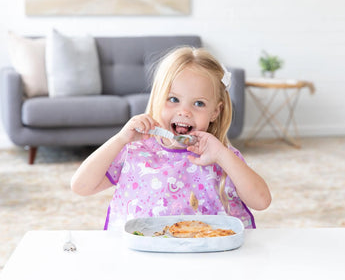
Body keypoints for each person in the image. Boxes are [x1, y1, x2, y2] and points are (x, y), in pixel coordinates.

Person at [71, 47, 271, 230]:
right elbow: (80, 186)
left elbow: (262, 201)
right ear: (157, 98)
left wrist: (221, 154)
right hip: (146, 255)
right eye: (173, 99)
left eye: (199, 103)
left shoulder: (221, 155)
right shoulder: (135, 149)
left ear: (215, 112)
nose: (184, 111)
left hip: (206, 256)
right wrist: (120, 139)